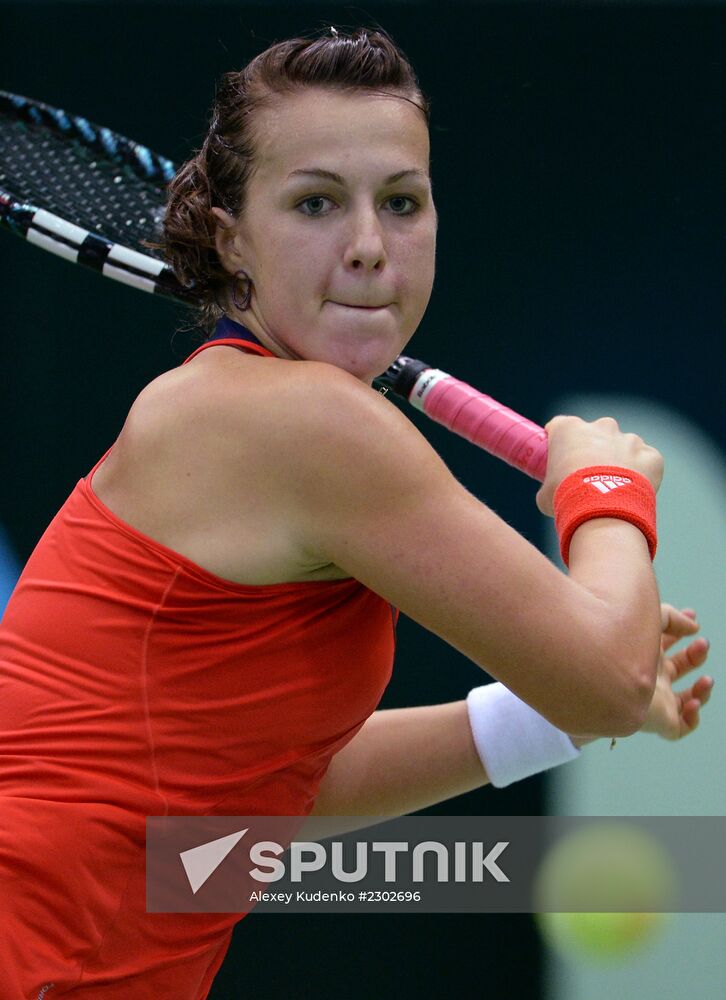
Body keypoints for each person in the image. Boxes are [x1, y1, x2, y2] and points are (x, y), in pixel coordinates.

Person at [0, 26, 713, 1000]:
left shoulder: (251, 408)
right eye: (316, 203)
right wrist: (605, 489)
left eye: (403, 202)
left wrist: (546, 717)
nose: (370, 246)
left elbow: (258, 793)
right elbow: (609, 677)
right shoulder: (306, 422)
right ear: (227, 235)